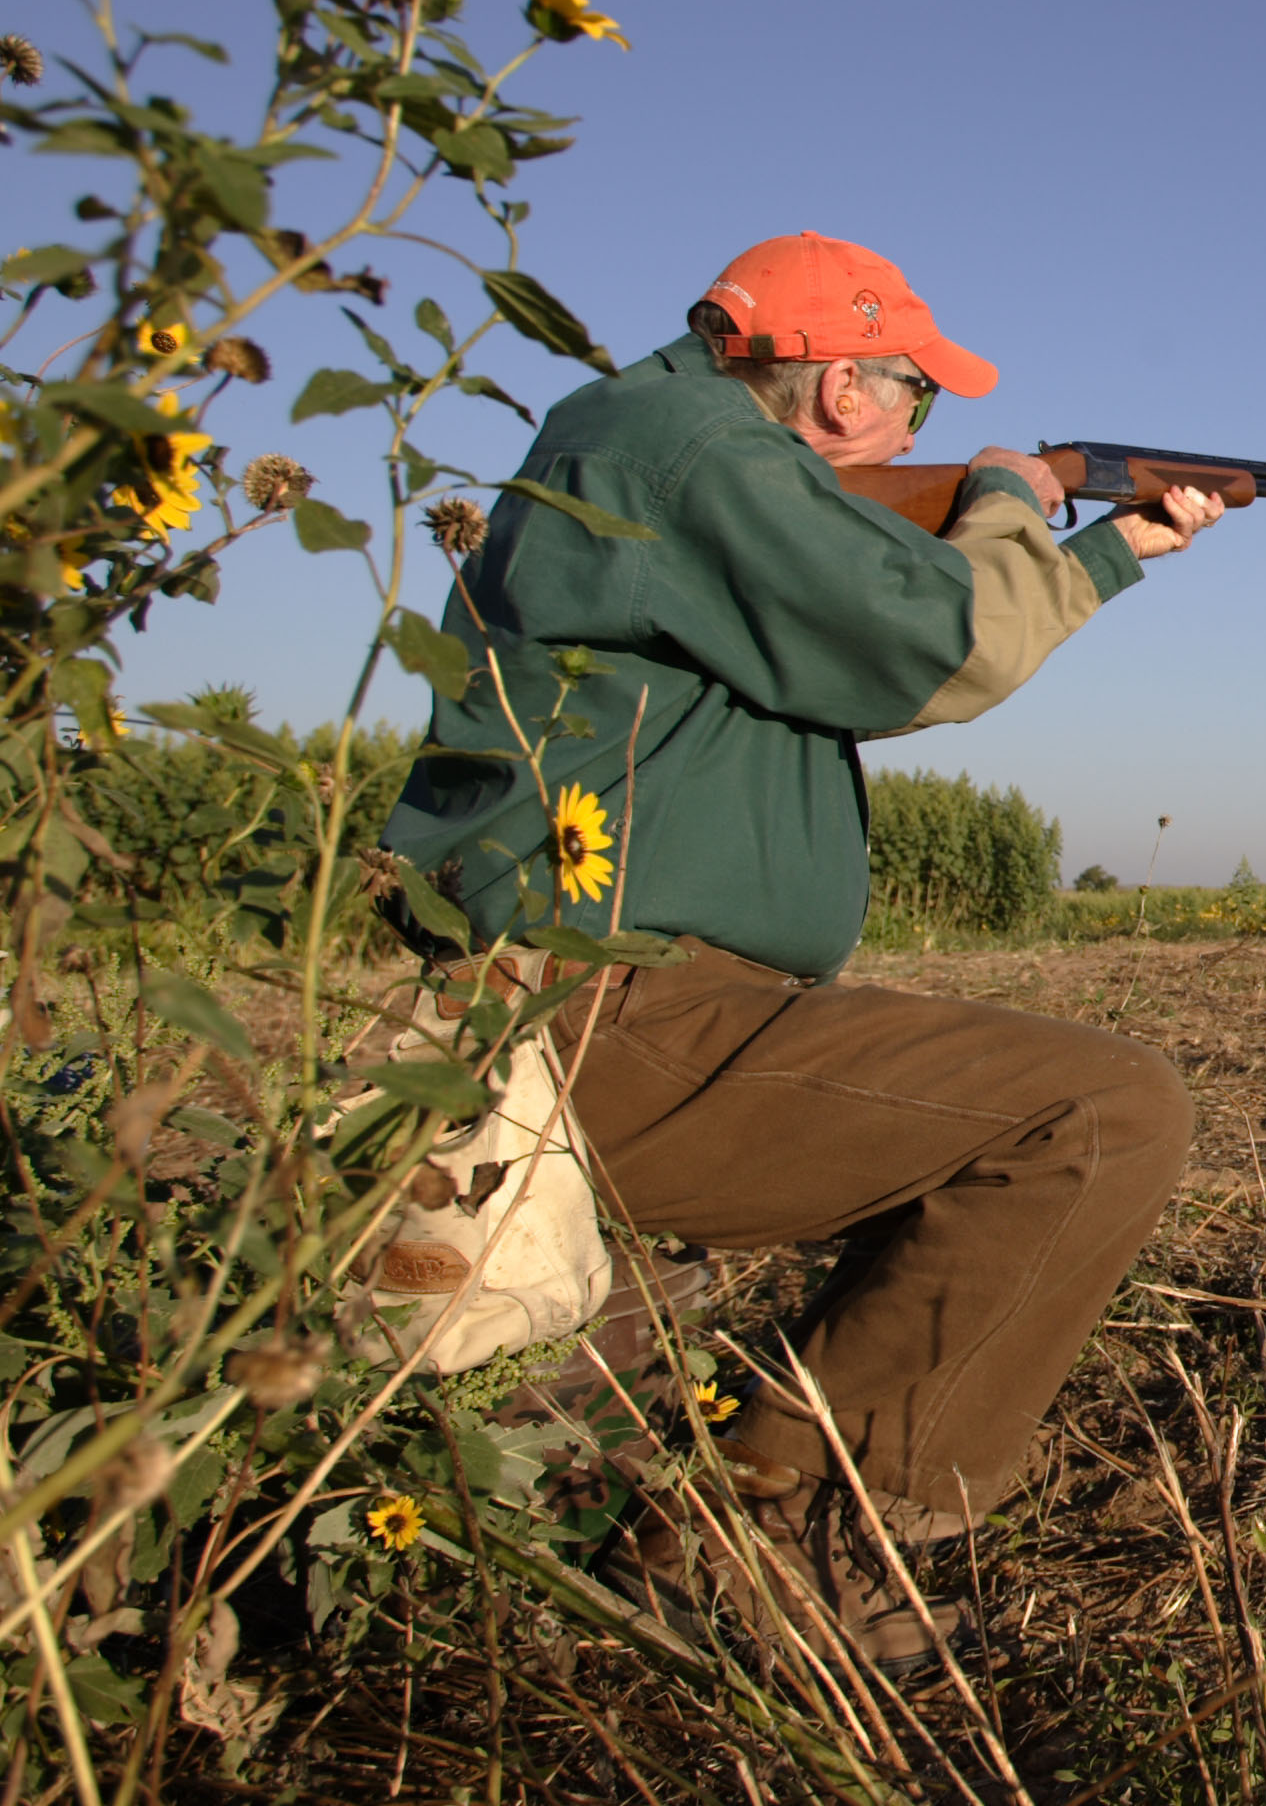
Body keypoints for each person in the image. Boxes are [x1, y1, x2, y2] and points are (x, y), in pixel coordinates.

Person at [381, 230, 1217, 1668]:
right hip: (598, 1000)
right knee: (1099, 1114)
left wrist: (1098, 554)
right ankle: (770, 1551)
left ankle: (709, 1514)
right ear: (841, 389)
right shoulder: (694, 446)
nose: (913, 434)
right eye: (914, 400)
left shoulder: (656, 441)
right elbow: (930, 648)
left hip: (608, 992)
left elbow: (866, 659)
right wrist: (1016, 503)